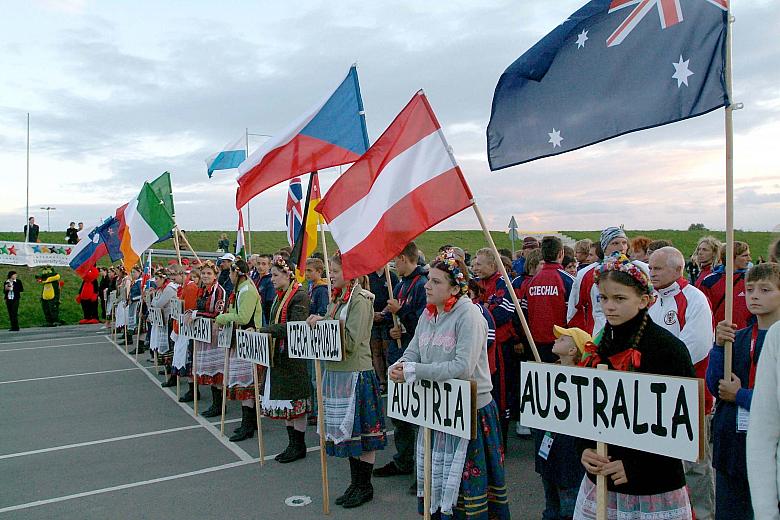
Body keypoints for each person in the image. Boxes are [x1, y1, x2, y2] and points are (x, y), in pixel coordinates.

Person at [390, 249, 510, 519]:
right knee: (436, 482)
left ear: (456, 287)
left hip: (469, 412)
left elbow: (462, 367)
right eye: (429, 279)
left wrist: (414, 371)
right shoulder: (428, 314)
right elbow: (413, 351)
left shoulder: (470, 316)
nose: (427, 286)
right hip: (436, 410)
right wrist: (400, 366)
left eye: (435, 282)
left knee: (464, 494)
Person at [575, 254, 695, 519]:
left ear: (643, 300)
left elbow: (684, 427)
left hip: (651, 487)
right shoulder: (599, 344)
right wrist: (584, 449)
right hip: (602, 482)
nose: (609, 307)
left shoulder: (668, 349)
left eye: (619, 299)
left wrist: (637, 466)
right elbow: (584, 411)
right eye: (603, 298)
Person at [306, 252, 387, 508]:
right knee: (349, 433)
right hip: (337, 373)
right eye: (330, 271)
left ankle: (364, 485)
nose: (332, 276)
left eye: (336, 271)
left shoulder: (360, 301)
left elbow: (351, 342)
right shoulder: (338, 299)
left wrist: (324, 325)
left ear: (350, 273)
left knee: (361, 432)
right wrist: (320, 322)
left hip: (355, 374)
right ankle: (355, 483)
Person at [648, 247, 716, 520]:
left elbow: (696, 347)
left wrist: (654, 366)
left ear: (678, 270)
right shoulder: (651, 300)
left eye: (658, 268)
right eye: (650, 268)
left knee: (695, 465)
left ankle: (703, 514)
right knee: (662, 461)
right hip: (656, 394)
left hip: (690, 394)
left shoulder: (694, 299)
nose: (652, 273)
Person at [710, 262, 780, 519]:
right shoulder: (738, 338)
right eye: (749, 290)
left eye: (765, 290)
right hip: (732, 444)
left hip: (769, 448)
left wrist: (740, 395)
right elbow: (716, 385)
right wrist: (718, 347)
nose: (755, 296)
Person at [374, 241, 428, 483]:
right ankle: (403, 460)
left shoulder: (422, 284)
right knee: (400, 413)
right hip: (398, 356)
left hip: (414, 357)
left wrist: (403, 318)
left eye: (396, 259)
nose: (393, 265)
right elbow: (394, 319)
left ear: (405, 258)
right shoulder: (402, 284)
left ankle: (421, 469)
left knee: (417, 416)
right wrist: (388, 322)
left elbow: (424, 323)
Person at [248, 255, 311, 457]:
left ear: (287, 274)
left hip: (294, 356)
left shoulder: (299, 296)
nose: (272, 279)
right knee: (285, 400)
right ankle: (292, 443)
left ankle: (299, 444)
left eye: (275, 275)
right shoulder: (279, 295)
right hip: (279, 354)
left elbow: (294, 327)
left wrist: (264, 330)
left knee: (295, 399)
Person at [535, 326, 590, 520]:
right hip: (548, 454)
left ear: (573, 350)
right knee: (551, 506)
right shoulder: (547, 372)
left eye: (563, 338)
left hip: (568, 459)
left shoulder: (584, 382)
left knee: (569, 508)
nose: (556, 339)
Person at [215, 259, 266, 443]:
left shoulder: (248, 290)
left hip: (249, 339)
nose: (229, 276)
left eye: (231, 273)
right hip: (241, 340)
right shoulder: (240, 289)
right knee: (244, 383)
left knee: (247, 384)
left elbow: (244, 317)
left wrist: (222, 318)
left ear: (238, 273)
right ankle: (248, 423)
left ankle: (248, 424)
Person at [519, 236, 574, 363]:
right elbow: (573, 314)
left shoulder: (532, 281)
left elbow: (524, 313)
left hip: (535, 343)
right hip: (561, 345)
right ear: (561, 253)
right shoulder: (567, 280)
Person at [567, 226, 630, 336]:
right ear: (604, 247)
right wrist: (580, 338)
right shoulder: (586, 274)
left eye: (624, 243)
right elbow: (574, 309)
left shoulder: (640, 269)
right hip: (599, 337)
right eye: (615, 243)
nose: (621, 247)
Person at [192, 261, 227, 418]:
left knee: (216, 369)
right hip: (204, 334)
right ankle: (215, 403)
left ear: (215, 275)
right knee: (210, 369)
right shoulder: (202, 290)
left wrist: (196, 315)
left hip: (215, 334)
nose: (205, 276)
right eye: (204, 273)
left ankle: (219, 405)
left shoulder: (219, 291)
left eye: (209, 274)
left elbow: (217, 314)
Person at [700, 241, 752, 329]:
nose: (749, 259)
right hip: (718, 336)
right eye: (745, 256)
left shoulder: (751, 281)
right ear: (731, 257)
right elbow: (702, 312)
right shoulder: (710, 281)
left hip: (745, 336)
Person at [305, 256, 329, 424]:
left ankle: (319, 410)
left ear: (319, 272)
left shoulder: (322, 290)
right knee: (311, 374)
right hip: (309, 335)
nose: (306, 274)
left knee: (317, 376)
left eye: (310, 271)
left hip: (318, 336)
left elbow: (322, 311)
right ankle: (314, 408)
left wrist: (316, 317)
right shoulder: (311, 287)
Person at [368, 266, 399, 394]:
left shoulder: (391, 276)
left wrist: (383, 313)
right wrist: (372, 313)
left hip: (387, 320)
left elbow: (395, 296)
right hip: (372, 320)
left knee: (387, 349)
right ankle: (381, 381)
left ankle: (389, 376)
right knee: (376, 350)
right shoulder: (368, 276)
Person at [173, 267, 200, 402]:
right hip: (187, 327)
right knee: (187, 358)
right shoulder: (187, 287)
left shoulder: (191, 288)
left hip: (190, 328)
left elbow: (188, 308)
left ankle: (194, 390)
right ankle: (192, 389)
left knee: (190, 358)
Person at [254, 253, 275, 324]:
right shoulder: (255, 279)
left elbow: (269, 303)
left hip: (264, 317)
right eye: (258, 263)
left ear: (269, 266)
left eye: (263, 264)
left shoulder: (270, 281)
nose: (260, 266)